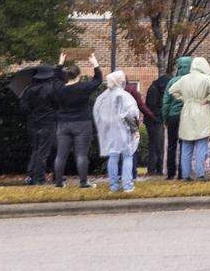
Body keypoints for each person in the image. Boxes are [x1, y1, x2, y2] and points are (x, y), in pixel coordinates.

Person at [168, 56, 210, 181]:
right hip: (202, 111)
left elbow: (172, 90)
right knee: (201, 144)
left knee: (186, 145)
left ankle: (185, 175)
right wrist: (208, 99)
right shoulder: (206, 79)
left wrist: (185, 99)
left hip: (187, 112)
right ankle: (200, 174)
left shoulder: (184, 79)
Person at [52, 55, 103, 188]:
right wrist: (95, 63)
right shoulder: (83, 87)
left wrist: (60, 63)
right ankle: (83, 182)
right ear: (79, 76)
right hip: (82, 123)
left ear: (67, 76)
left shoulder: (60, 88)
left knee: (61, 155)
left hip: (63, 124)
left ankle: (58, 182)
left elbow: (55, 78)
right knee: (81, 154)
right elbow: (98, 80)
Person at [93, 70, 140, 193]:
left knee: (113, 157)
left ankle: (113, 186)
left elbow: (98, 113)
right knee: (127, 155)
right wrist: (135, 130)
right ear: (121, 81)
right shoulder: (124, 95)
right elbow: (130, 114)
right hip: (123, 130)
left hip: (110, 130)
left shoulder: (104, 96)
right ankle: (127, 185)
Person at [19, 63, 59, 185]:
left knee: (36, 150)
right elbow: (57, 105)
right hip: (48, 123)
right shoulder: (51, 89)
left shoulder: (28, 89)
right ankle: (40, 178)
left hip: (33, 123)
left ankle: (31, 176)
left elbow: (23, 108)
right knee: (44, 151)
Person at [160, 56, 192, 180]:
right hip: (187, 116)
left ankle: (170, 173)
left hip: (173, 116)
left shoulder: (172, 82)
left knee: (171, 145)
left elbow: (166, 102)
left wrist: (165, 118)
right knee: (185, 144)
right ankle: (182, 173)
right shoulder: (192, 81)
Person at [143, 69, 170, 176]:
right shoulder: (154, 90)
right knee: (157, 145)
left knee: (155, 145)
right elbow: (153, 107)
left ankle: (154, 168)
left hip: (153, 120)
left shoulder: (155, 88)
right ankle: (156, 169)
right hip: (154, 121)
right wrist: (161, 117)